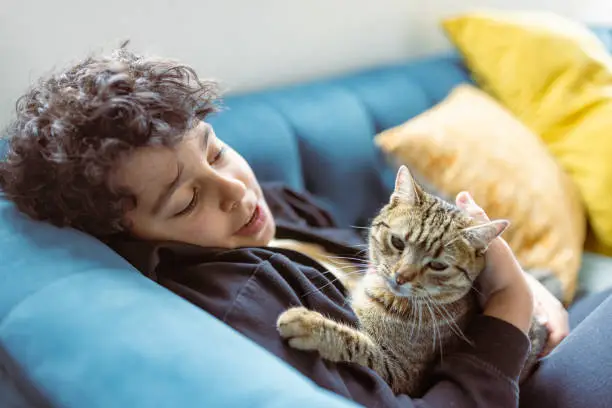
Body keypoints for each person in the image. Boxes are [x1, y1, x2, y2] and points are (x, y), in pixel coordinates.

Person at [0, 47, 610, 408]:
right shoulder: (242, 302)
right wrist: (507, 304)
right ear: (132, 238)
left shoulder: (270, 213)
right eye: (187, 201)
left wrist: (528, 287)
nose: (237, 192)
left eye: (214, 152)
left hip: (524, 340)